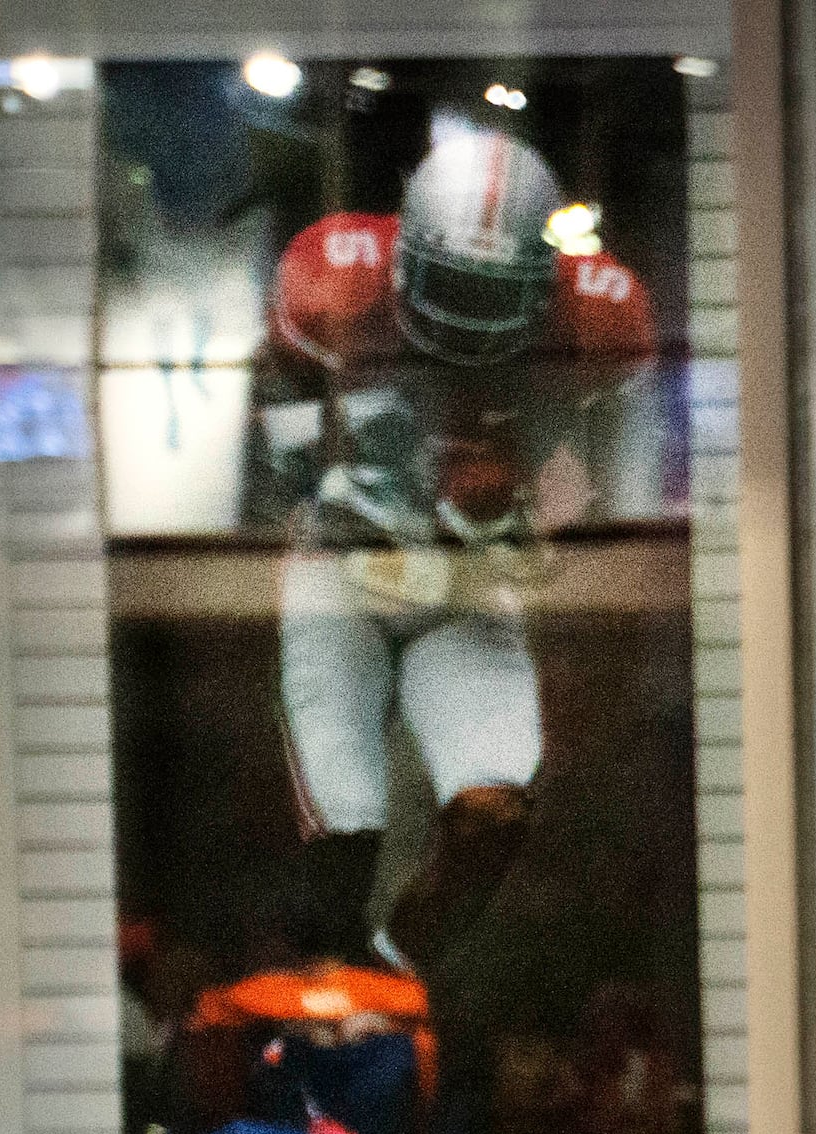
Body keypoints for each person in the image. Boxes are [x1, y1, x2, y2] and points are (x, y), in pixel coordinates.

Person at [256, 118, 664, 983]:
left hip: (471, 584)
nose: (468, 323)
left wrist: (545, 524)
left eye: (492, 297)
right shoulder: (337, 277)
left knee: (491, 816)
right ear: (406, 249)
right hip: (349, 566)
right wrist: (312, 479)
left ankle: (399, 977)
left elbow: (608, 476)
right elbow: (280, 390)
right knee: (347, 830)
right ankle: (318, 1000)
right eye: (451, 286)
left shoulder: (600, 317)